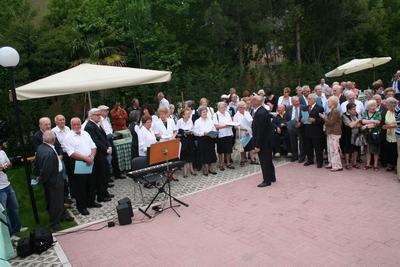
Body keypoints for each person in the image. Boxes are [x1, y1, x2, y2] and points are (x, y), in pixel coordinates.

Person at [35, 131, 71, 232]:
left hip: (51, 180)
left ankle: (60, 217)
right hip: (54, 180)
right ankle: (54, 224)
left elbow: (37, 164)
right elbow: (47, 170)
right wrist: (43, 179)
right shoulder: (50, 152)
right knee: (56, 202)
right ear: (53, 140)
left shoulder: (41, 148)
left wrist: (39, 176)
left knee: (54, 201)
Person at [63, 118, 98, 216]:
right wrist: (85, 158)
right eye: (74, 125)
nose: (77, 126)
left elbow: (93, 146)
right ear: (71, 125)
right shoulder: (68, 137)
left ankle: (91, 202)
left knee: (91, 183)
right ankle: (81, 207)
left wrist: (91, 157)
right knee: (80, 186)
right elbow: (71, 153)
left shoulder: (85, 133)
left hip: (90, 160)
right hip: (78, 162)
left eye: (78, 124)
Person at [84, 108, 114, 203]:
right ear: (91, 116)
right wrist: (106, 149)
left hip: (103, 152)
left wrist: (108, 146)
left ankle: (105, 192)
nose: (99, 116)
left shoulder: (97, 124)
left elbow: (104, 137)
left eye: (99, 115)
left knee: (105, 174)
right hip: (98, 154)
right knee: (100, 175)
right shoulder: (89, 126)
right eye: (97, 115)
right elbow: (95, 141)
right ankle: (101, 195)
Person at [252, 95, 276, 187]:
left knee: (264, 161)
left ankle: (267, 180)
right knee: (268, 160)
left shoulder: (260, 113)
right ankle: (272, 177)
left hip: (263, 142)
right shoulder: (262, 110)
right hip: (267, 140)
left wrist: (257, 145)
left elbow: (260, 131)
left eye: (252, 101)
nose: (251, 103)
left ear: (255, 102)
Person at [0, 146, 23, 236]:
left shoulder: (2, 153)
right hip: (0, 190)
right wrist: (4, 166)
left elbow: (9, 164)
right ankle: (10, 234)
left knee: (14, 208)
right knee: (4, 212)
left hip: (7, 185)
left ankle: (17, 228)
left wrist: (6, 165)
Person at [52, 114, 73, 206]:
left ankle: (73, 193)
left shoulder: (68, 128)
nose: (62, 121)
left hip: (70, 153)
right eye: (60, 120)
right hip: (61, 155)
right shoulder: (53, 131)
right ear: (56, 122)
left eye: (63, 119)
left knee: (72, 173)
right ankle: (66, 196)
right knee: (64, 175)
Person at [98, 105, 123, 179]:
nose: (107, 112)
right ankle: (108, 177)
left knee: (114, 156)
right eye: (105, 111)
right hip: (105, 140)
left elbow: (109, 128)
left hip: (110, 138)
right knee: (107, 158)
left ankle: (117, 174)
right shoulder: (99, 120)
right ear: (101, 112)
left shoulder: (107, 119)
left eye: (107, 110)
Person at [301, 93, 325, 168]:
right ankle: (310, 160)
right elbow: (302, 117)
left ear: (314, 99)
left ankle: (319, 162)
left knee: (318, 147)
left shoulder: (319, 108)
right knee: (308, 146)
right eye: (308, 99)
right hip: (307, 130)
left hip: (316, 131)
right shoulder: (305, 107)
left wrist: (314, 120)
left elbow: (322, 120)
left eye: (310, 99)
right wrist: (301, 120)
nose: (308, 100)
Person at [319, 96, 342, 171]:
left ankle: (337, 165)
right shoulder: (332, 110)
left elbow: (331, 122)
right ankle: (331, 163)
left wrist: (323, 117)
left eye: (328, 101)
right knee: (330, 149)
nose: (327, 103)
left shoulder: (335, 111)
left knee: (334, 149)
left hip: (334, 132)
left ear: (333, 103)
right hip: (330, 132)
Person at [193, 106, 218, 176]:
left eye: (206, 111)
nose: (205, 113)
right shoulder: (197, 121)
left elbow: (214, 128)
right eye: (203, 112)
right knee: (203, 154)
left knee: (211, 153)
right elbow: (195, 132)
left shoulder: (210, 120)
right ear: (200, 113)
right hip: (202, 139)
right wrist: (203, 133)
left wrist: (214, 133)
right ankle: (205, 169)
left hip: (210, 138)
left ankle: (211, 168)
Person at [233, 101, 257, 166]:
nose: (242, 108)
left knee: (251, 146)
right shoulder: (236, 115)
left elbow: (251, 121)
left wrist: (248, 129)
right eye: (240, 107)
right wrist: (244, 129)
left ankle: (252, 159)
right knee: (242, 147)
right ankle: (242, 160)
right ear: (238, 108)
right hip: (241, 133)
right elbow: (235, 126)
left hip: (248, 132)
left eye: (243, 107)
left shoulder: (247, 113)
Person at [213, 102, 235, 171]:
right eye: (221, 107)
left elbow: (231, 122)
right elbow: (216, 126)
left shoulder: (228, 113)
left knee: (228, 150)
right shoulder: (215, 115)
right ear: (218, 108)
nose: (223, 109)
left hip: (228, 134)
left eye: (224, 107)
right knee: (221, 151)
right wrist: (225, 126)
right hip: (221, 135)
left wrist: (231, 124)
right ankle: (221, 164)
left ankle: (228, 163)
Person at [176, 108, 197, 177]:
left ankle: (191, 169)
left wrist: (190, 131)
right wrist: (183, 133)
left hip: (190, 138)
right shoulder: (179, 121)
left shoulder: (190, 120)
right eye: (187, 114)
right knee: (184, 154)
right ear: (183, 115)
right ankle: (185, 171)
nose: (188, 115)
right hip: (183, 139)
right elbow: (176, 132)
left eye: (189, 114)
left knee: (191, 153)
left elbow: (193, 128)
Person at [342, 103, 363, 170]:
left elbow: (360, 124)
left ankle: (354, 163)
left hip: (357, 134)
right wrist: (357, 121)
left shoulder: (356, 113)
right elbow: (351, 125)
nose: (355, 110)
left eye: (355, 109)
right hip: (348, 135)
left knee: (356, 148)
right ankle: (347, 164)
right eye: (353, 109)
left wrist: (355, 124)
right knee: (347, 149)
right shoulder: (344, 115)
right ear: (348, 110)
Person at [362, 100, 381, 171]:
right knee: (368, 150)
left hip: (375, 135)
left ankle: (375, 165)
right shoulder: (365, 113)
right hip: (367, 135)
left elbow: (376, 123)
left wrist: (366, 126)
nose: (373, 107)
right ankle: (368, 164)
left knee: (375, 150)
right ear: (368, 107)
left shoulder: (378, 113)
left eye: (374, 105)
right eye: (371, 106)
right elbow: (363, 121)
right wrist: (373, 121)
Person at [285, 96, 305, 162]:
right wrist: (288, 125)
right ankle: (295, 155)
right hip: (291, 127)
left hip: (301, 127)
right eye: (296, 101)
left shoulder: (303, 107)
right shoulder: (288, 108)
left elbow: (306, 118)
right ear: (292, 102)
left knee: (302, 142)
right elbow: (286, 118)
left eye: (298, 101)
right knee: (293, 142)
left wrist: (301, 123)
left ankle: (302, 156)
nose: (298, 102)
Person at [382, 97, 398, 172]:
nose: (386, 106)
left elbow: (398, 124)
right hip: (389, 134)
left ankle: (397, 166)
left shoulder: (398, 111)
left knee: (396, 150)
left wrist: (389, 126)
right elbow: (386, 121)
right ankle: (391, 164)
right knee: (390, 149)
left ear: (392, 105)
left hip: (397, 134)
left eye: (387, 105)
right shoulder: (388, 111)